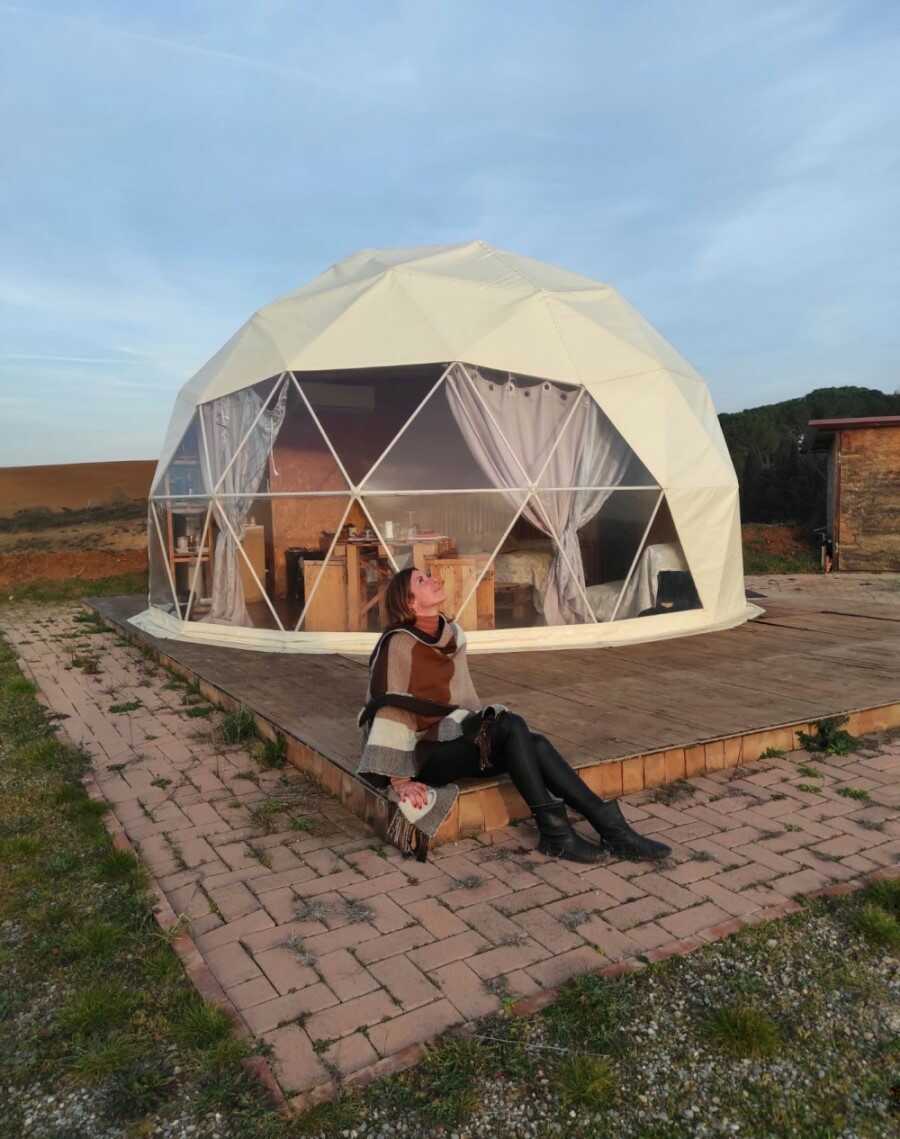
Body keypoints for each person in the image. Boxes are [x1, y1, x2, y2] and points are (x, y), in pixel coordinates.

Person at [356, 566, 671, 864]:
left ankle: (603, 829)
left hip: (450, 737)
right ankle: (575, 831)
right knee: (510, 726)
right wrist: (399, 779)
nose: (434, 579)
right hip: (420, 754)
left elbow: (462, 699)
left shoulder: (452, 635)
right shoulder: (398, 643)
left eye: (428, 575)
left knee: (532, 744)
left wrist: (479, 731)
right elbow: (388, 706)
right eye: (422, 580)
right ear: (409, 601)